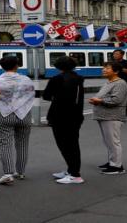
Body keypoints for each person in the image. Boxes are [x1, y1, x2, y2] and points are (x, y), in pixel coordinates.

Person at [0, 56, 35, 185]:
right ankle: (20, 172)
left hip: (4, 115)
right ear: (17, 66)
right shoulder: (26, 80)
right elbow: (31, 95)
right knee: (23, 144)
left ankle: (8, 173)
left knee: (5, 144)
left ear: (2, 67)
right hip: (24, 115)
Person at [42, 56, 85, 184]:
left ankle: (75, 175)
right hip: (76, 116)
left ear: (58, 66)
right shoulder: (79, 78)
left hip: (59, 116)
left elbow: (46, 96)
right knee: (73, 144)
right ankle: (71, 170)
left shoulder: (57, 79)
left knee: (64, 145)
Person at [89, 62, 127, 175]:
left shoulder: (120, 83)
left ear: (116, 71)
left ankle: (117, 167)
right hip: (104, 115)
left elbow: (116, 100)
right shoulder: (108, 82)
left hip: (113, 116)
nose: (104, 70)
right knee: (108, 141)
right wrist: (96, 100)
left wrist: (99, 101)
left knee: (113, 142)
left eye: (107, 68)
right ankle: (112, 162)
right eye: (103, 68)